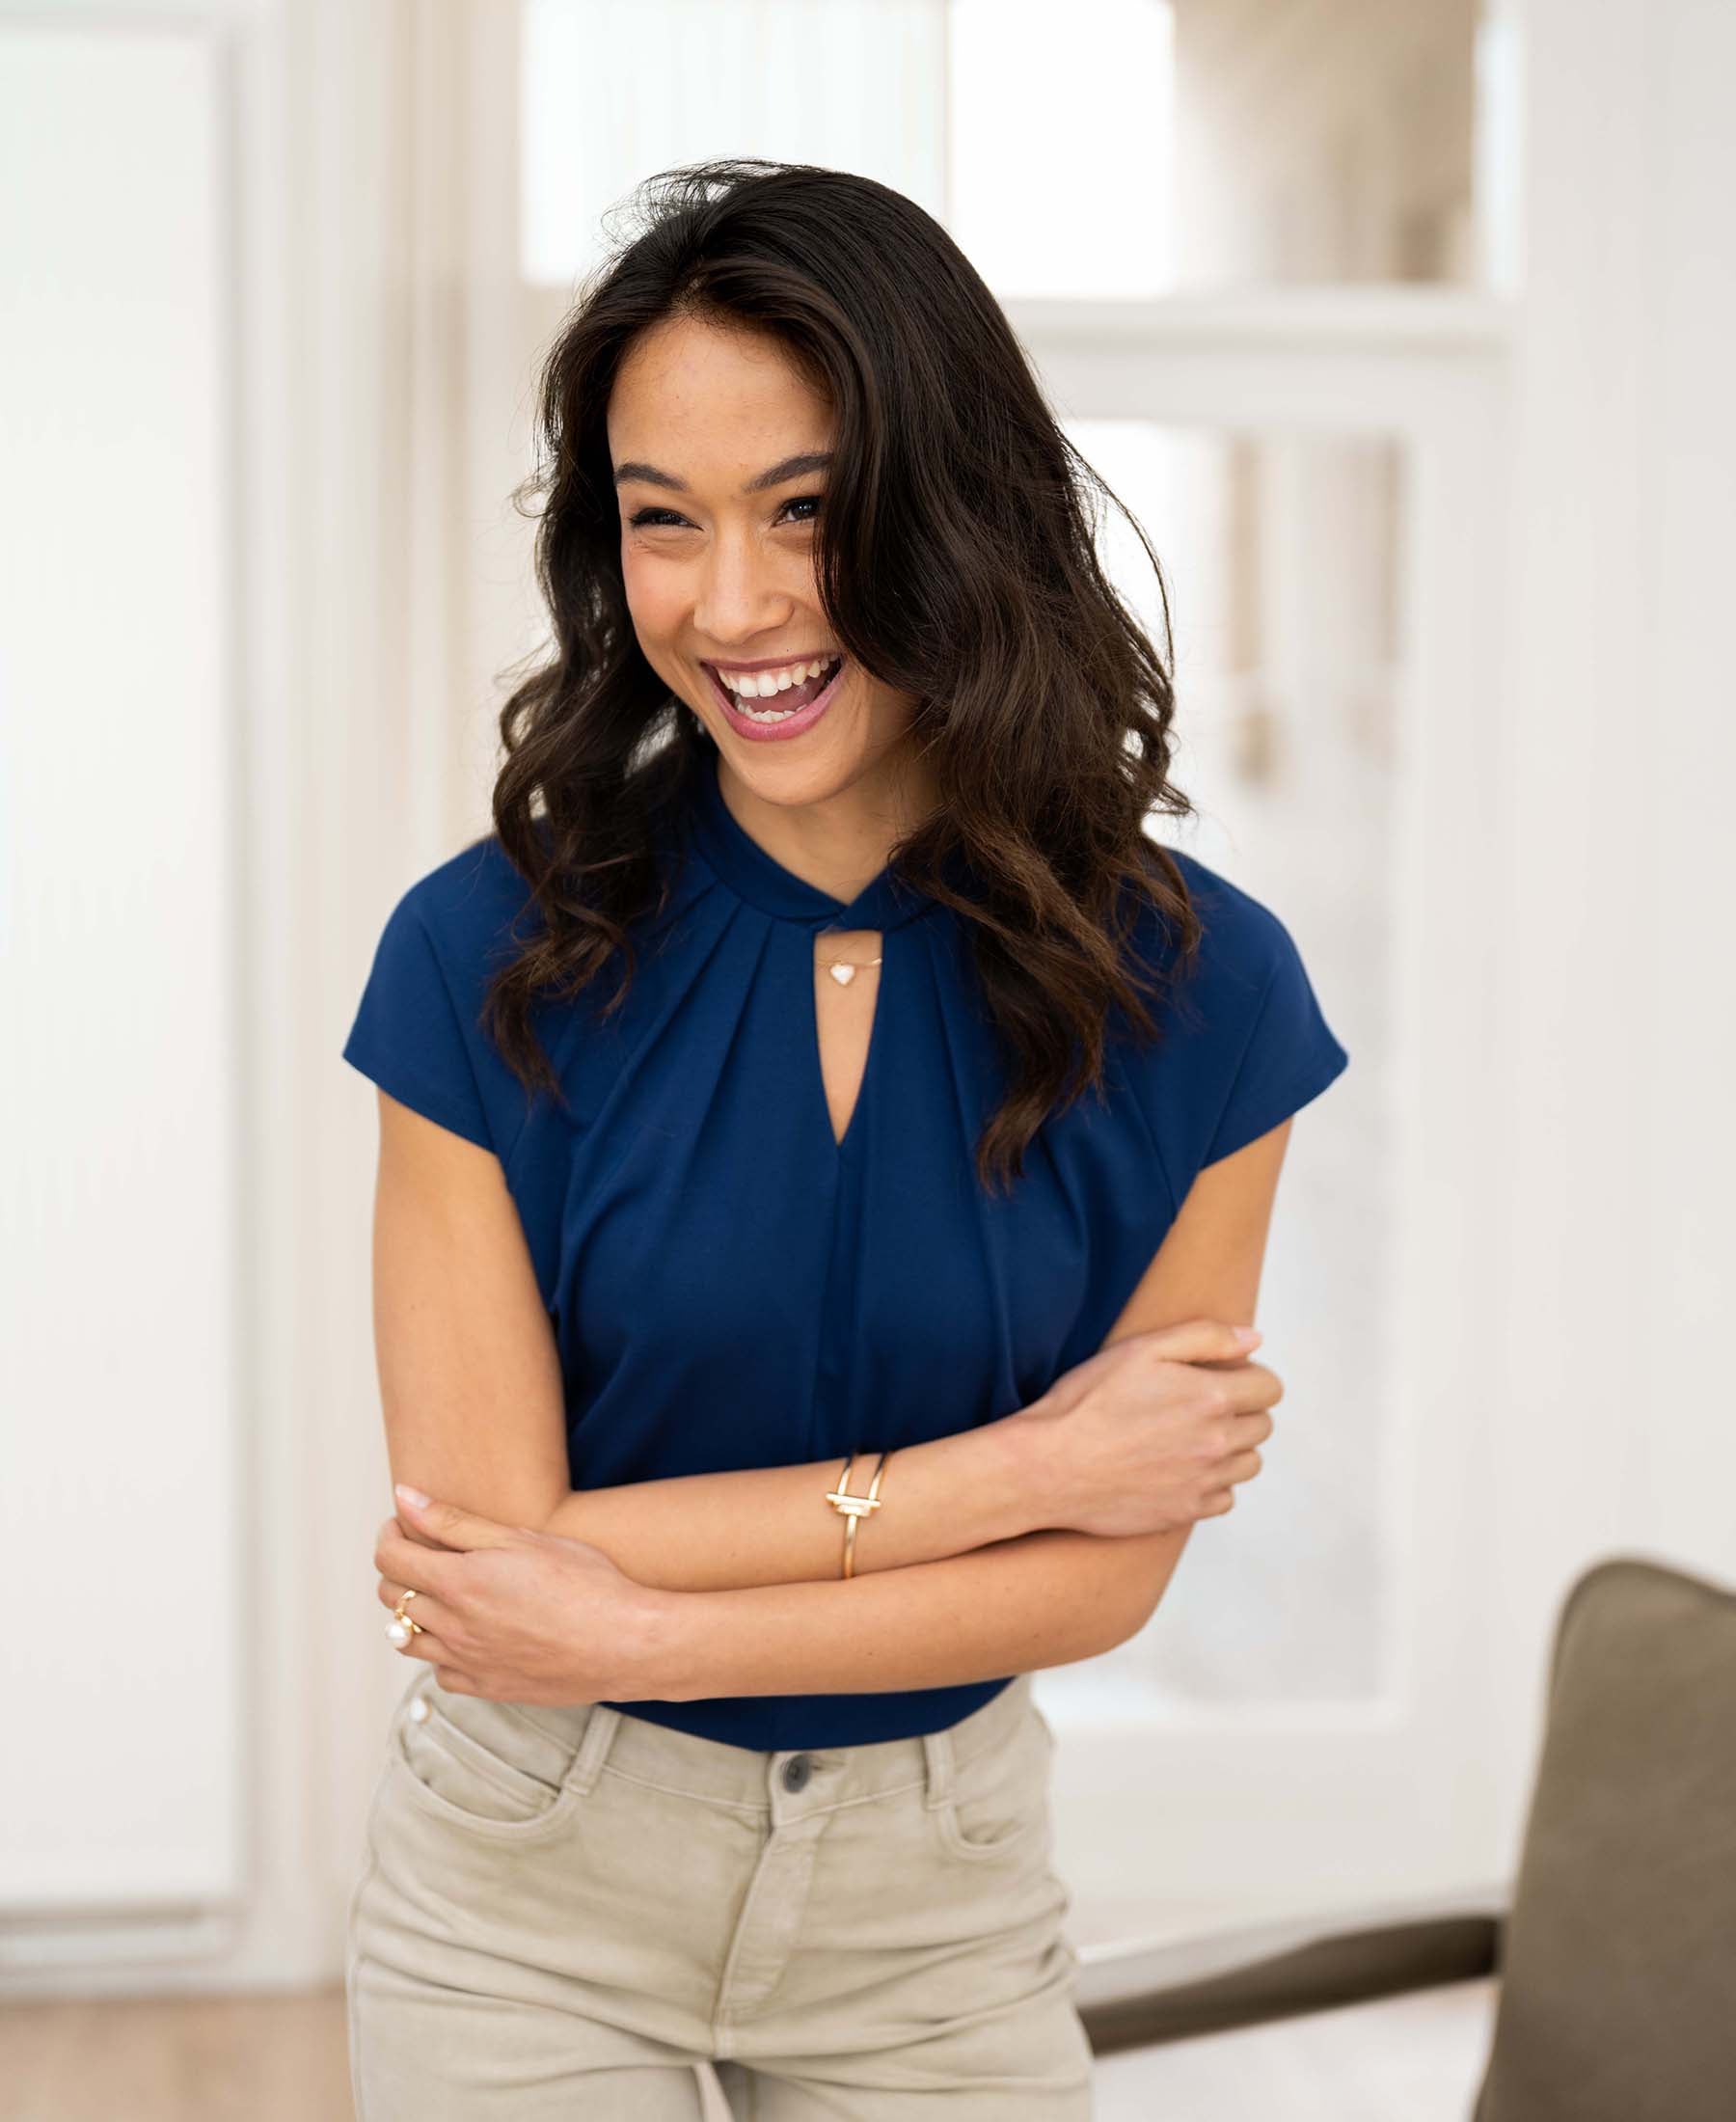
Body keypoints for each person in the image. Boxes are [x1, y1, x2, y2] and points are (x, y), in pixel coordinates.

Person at [339, 158, 1349, 2120]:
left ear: (952, 507)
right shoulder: (479, 956)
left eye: (807, 511)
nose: (734, 604)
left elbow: (1105, 1582)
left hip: (933, 1912)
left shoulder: (1205, 995)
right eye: (665, 523)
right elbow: (495, 1552)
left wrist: (632, 1616)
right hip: (528, 1894)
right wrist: (1033, 1463)